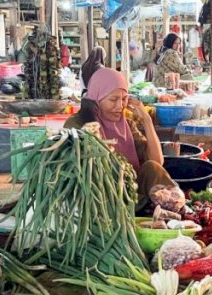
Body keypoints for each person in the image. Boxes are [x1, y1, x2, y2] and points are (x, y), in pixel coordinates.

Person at [64, 68, 176, 212]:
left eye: (124, 99)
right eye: (113, 99)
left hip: (131, 192)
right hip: (100, 198)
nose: (120, 106)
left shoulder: (126, 124)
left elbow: (157, 161)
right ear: (97, 99)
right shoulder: (77, 124)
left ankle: (172, 211)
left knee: (151, 167)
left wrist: (147, 121)